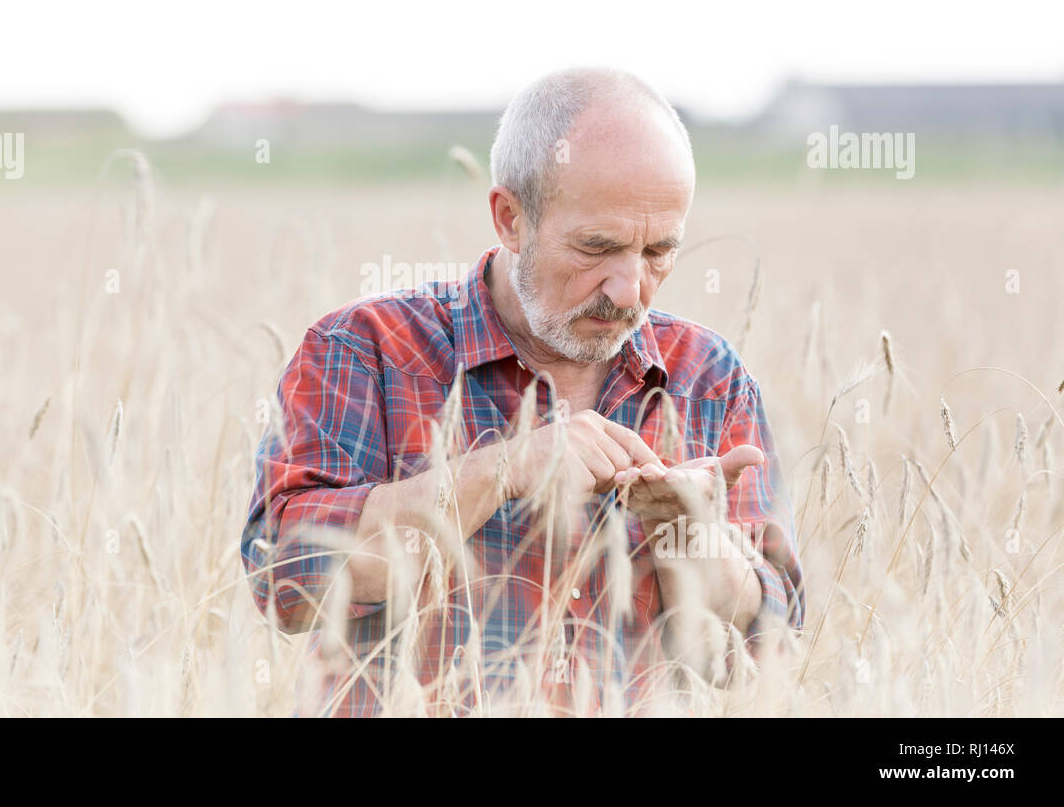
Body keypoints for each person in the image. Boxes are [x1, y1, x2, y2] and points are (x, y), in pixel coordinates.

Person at [240, 66, 804, 716]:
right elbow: (283, 578)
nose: (629, 289)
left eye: (658, 252)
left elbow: (774, 644)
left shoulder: (709, 378)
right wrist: (505, 469)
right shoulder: (365, 350)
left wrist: (694, 540)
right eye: (598, 247)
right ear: (510, 219)